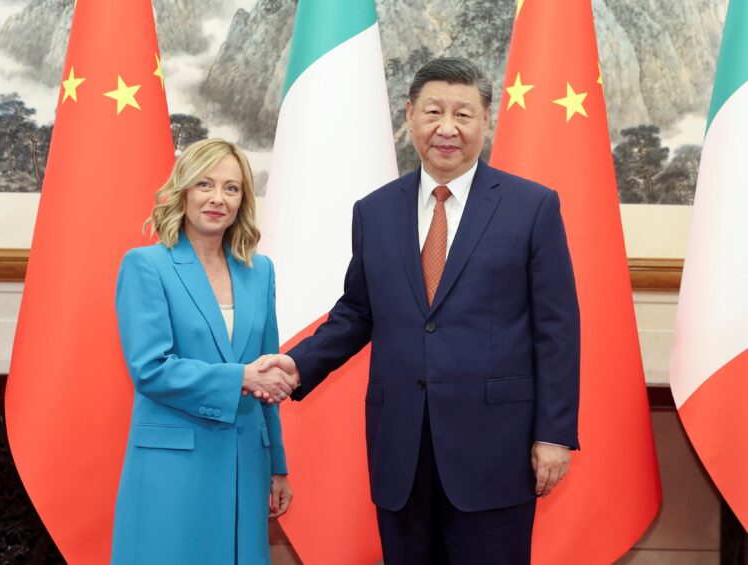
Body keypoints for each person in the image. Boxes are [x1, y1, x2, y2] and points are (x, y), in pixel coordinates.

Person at [262, 57, 580, 564]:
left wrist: (554, 434)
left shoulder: (532, 207)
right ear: (410, 116)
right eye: (433, 112)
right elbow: (358, 313)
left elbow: (557, 329)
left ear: (486, 120)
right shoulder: (375, 210)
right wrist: (297, 364)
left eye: (463, 114)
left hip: (496, 447)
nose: (447, 128)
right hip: (401, 448)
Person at [111, 138, 298, 565]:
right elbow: (150, 369)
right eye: (205, 184)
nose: (218, 198)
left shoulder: (260, 271)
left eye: (231, 188)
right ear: (183, 191)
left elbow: (266, 372)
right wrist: (242, 378)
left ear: (243, 200)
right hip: (172, 469)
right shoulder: (146, 265)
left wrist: (278, 466)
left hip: (247, 463)